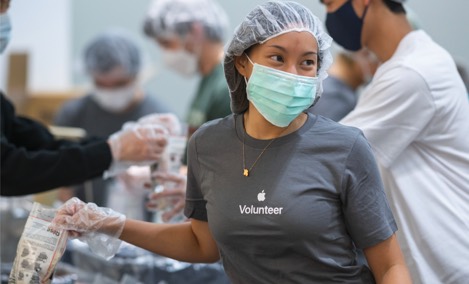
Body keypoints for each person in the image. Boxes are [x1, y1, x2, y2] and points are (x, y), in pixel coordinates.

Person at [53, 2, 412, 283]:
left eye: (307, 63)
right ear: (243, 63)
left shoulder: (345, 148)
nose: (293, 75)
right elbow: (201, 244)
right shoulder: (208, 144)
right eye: (277, 58)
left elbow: (390, 266)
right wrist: (110, 223)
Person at [321, 0, 469, 282]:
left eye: (330, 3)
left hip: (449, 268)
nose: (329, 14)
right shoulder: (416, 61)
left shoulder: (413, 73)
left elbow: (329, 154)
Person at [0, 0, 168, 197]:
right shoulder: (75, 111)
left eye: (7, 8)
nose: (6, 16)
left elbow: (37, 143)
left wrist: (116, 148)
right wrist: (112, 151)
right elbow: (8, 171)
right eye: (2, 9)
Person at [54, 30, 171, 208]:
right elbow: (61, 185)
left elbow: (176, 181)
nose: (110, 92)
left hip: (145, 227)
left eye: (119, 84)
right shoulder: (73, 115)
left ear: (138, 74)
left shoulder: (160, 119)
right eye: (101, 84)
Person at [143, 0, 232, 135]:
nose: (165, 54)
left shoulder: (227, 88)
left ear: (195, 32)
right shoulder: (208, 81)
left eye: (167, 43)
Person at [309, 48, 379, 121]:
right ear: (363, 54)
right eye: (376, 60)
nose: (378, 67)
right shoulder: (335, 97)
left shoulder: (331, 89)